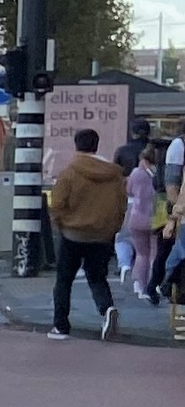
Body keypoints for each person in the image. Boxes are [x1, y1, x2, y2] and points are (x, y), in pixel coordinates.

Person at [46, 126, 125, 341]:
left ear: (76, 145)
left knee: (64, 280)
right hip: (102, 235)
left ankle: (60, 326)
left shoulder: (69, 172)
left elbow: (57, 203)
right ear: (97, 145)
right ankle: (106, 308)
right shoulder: (114, 175)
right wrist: (112, 229)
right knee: (97, 277)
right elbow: (121, 205)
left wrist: (60, 224)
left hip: (73, 234)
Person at [123, 145, 159, 300]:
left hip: (137, 216)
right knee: (155, 253)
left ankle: (139, 286)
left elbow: (129, 191)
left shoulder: (135, 173)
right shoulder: (158, 174)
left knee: (141, 253)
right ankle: (154, 284)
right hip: (156, 217)